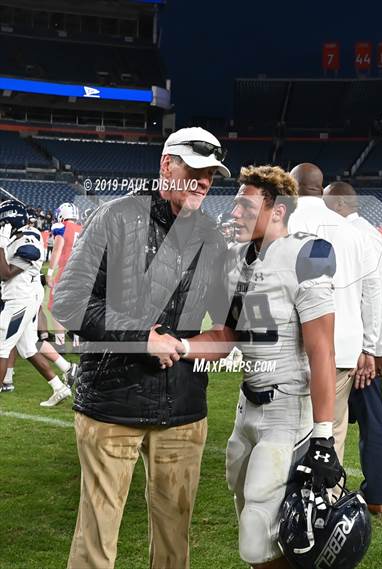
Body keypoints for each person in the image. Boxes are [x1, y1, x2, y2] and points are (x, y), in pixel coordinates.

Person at [52, 127, 231, 569]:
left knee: (174, 546)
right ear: (166, 165)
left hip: (184, 411)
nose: (204, 180)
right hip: (111, 406)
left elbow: (229, 329)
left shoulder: (212, 235)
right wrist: (141, 337)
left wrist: (186, 346)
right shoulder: (114, 216)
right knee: (96, 545)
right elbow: (69, 301)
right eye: (194, 168)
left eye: (210, 174)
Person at [162, 165, 342, 569]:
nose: (235, 213)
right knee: (249, 510)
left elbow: (322, 350)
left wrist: (324, 437)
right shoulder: (237, 260)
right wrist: (181, 344)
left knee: (259, 528)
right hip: (247, 406)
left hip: (287, 408)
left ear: (276, 210)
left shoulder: (307, 255)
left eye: (246, 205)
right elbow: (227, 337)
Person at [288, 163, 382, 466]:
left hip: (290, 346)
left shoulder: (281, 220)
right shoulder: (353, 231)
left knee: (283, 435)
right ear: (320, 186)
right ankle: (325, 506)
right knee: (332, 435)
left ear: (292, 186)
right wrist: (370, 346)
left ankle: (284, 509)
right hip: (341, 349)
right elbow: (373, 292)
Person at [324, 181, 382, 515]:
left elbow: (376, 295)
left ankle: (368, 495)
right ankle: (377, 495)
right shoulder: (366, 233)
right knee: (368, 417)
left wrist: (372, 349)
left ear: (337, 204)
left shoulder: (353, 234)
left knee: (353, 418)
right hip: (359, 342)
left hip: (354, 346)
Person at [0, 200, 72, 406]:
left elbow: (5, 274)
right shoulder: (19, 238)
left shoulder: (28, 241)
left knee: (2, 347)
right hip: (19, 297)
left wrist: (1, 244)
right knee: (28, 348)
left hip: (20, 300)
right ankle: (58, 387)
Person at [47, 202, 82, 348]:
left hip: (65, 271)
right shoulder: (82, 228)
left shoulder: (60, 227)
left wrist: (49, 272)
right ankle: (77, 342)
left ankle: (60, 343)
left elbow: (57, 249)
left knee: (56, 306)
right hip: (81, 271)